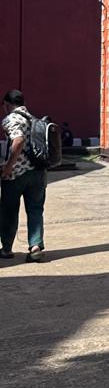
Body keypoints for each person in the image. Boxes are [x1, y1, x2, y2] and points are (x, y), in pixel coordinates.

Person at [1, 90, 47, 262]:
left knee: (9, 211)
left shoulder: (10, 119)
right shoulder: (34, 119)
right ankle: (35, 247)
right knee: (35, 210)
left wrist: (8, 166)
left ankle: (6, 249)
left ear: (7, 104)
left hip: (16, 174)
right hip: (38, 172)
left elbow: (18, 140)